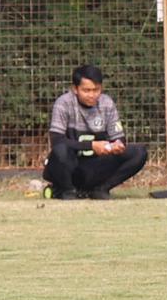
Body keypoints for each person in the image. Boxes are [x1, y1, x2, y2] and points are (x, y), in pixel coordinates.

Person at [43, 65, 147, 200]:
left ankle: (101, 189)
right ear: (75, 89)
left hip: (94, 166)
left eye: (96, 90)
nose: (92, 95)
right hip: (69, 165)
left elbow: (119, 138)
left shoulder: (107, 103)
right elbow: (57, 141)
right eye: (86, 90)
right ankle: (67, 190)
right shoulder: (63, 103)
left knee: (139, 152)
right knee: (61, 150)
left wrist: (116, 146)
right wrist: (92, 146)